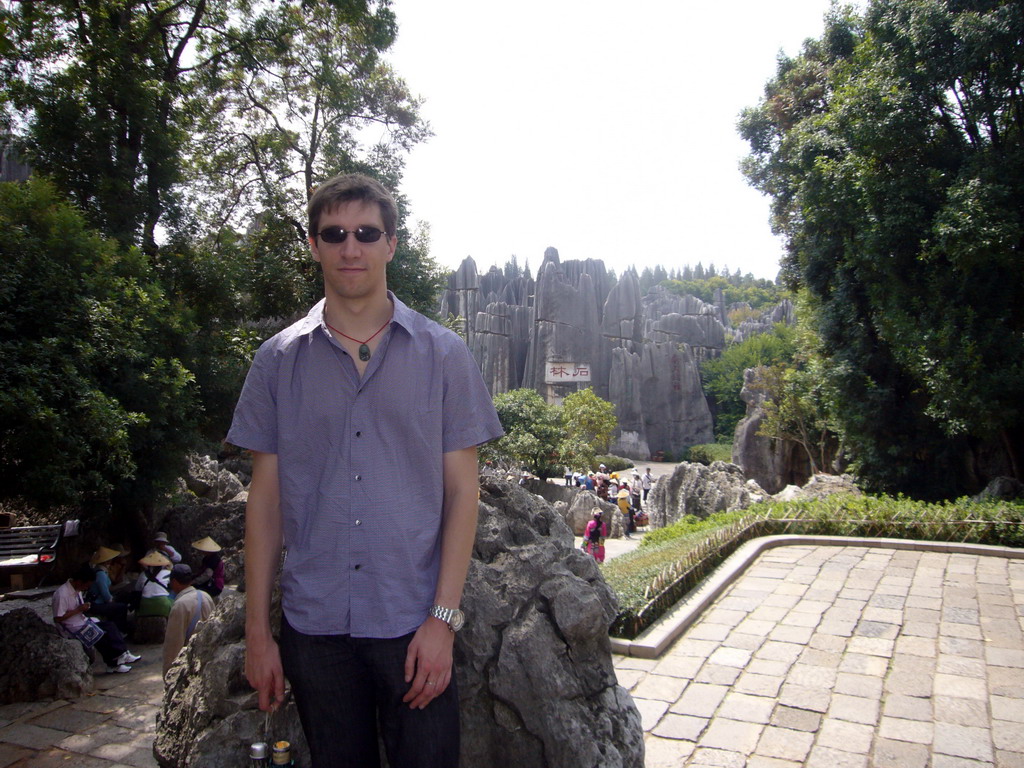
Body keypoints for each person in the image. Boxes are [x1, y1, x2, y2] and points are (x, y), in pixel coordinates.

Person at [227, 173, 504, 768]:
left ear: (391, 244)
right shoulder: (277, 361)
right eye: (334, 233)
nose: (350, 247)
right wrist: (258, 631)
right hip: (315, 626)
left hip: (412, 621)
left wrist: (443, 622)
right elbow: (266, 501)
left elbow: (463, 493)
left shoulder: (443, 354)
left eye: (365, 232)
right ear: (313, 245)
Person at [54, 563, 141, 674]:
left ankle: (122, 653)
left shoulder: (77, 590)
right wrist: (78, 610)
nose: (86, 588)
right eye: (86, 586)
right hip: (71, 628)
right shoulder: (62, 594)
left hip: (81, 621)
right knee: (100, 635)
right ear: (79, 582)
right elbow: (58, 618)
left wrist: (83, 608)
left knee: (110, 626)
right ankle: (113, 663)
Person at [163, 564, 215, 677]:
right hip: (208, 659)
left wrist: (167, 673)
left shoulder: (180, 605)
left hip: (190, 663)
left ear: (175, 582)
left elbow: (173, 644)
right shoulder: (206, 596)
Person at [85, 546, 129, 631]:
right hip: (97, 604)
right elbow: (105, 593)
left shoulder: (102, 571)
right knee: (122, 607)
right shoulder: (100, 574)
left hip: (99, 602)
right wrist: (111, 600)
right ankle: (120, 629)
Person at [134, 551, 174, 617]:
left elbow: (137, 589)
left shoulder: (143, 574)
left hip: (145, 605)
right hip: (163, 604)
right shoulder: (168, 573)